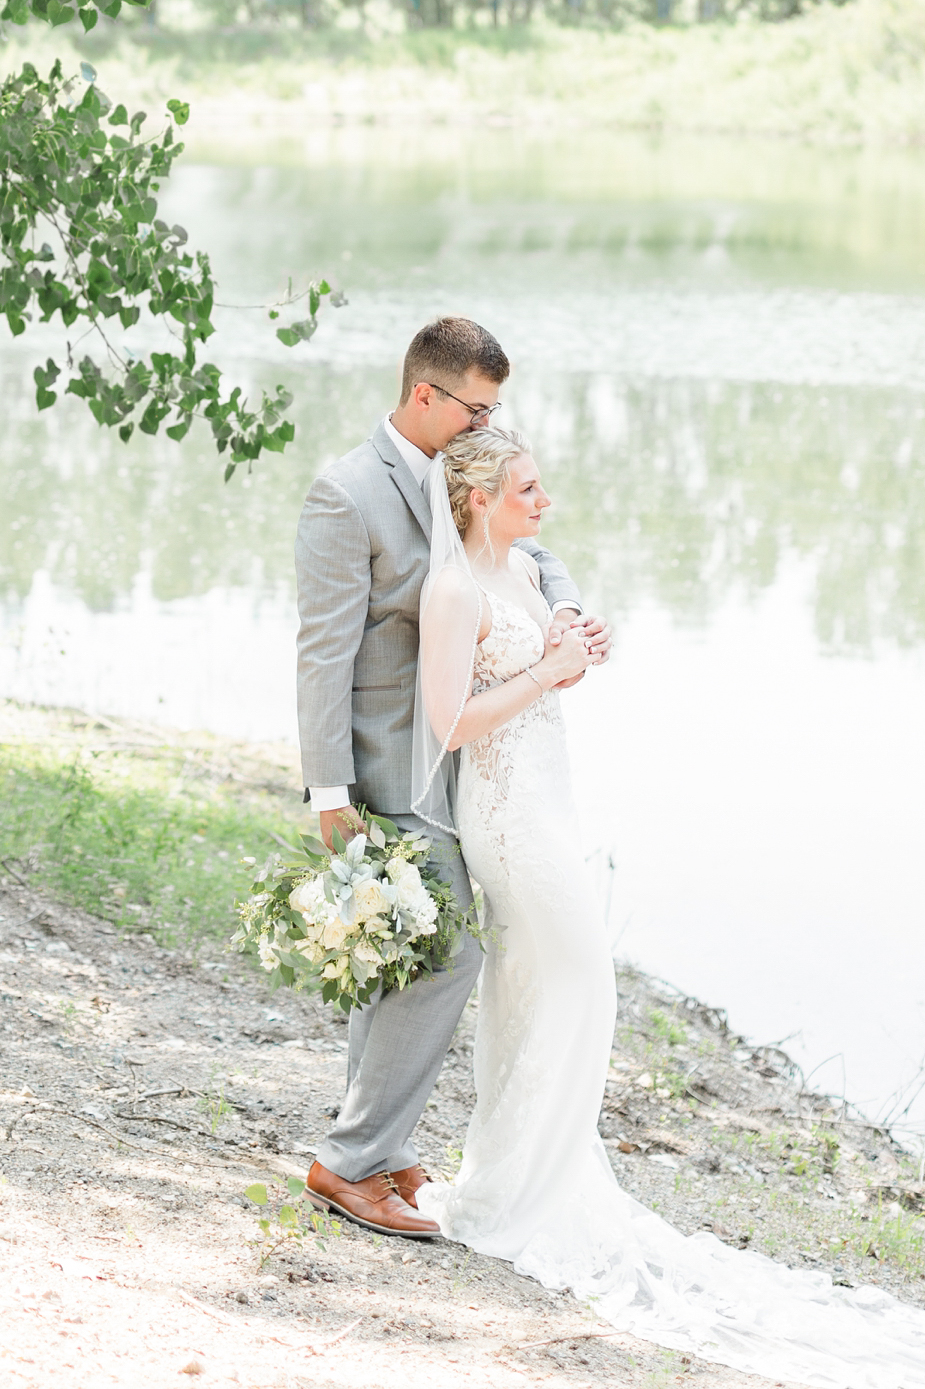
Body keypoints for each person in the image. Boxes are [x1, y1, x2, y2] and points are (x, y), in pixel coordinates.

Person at [410, 425, 925, 1389]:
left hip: (548, 790)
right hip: (502, 810)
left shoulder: (529, 569)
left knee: (541, 986)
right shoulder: (453, 590)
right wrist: (546, 672)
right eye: (529, 489)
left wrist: (577, 640)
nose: (545, 501)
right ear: (480, 498)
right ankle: (522, 1188)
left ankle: (522, 1179)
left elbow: (555, 629)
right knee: (580, 984)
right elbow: (449, 721)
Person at [293, 316, 611, 1238]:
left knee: (405, 954)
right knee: (448, 952)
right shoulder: (346, 494)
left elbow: (532, 551)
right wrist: (329, 794)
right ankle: (350, 1162)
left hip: (479, 763)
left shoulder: (461, 467)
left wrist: (570, 613)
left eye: (496, 409)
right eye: (476, 406)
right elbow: (321, 655)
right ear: (425, 394)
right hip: (395, 762)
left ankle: (382, 1153)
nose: (486, 424)